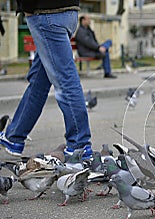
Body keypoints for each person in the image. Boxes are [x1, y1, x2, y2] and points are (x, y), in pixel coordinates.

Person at [0, 0, 93, 159]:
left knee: (65, 81)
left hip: (45, 12)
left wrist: (27, 6)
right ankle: (14, 136)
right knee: (39, 80)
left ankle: (80, 144)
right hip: (68, 12)